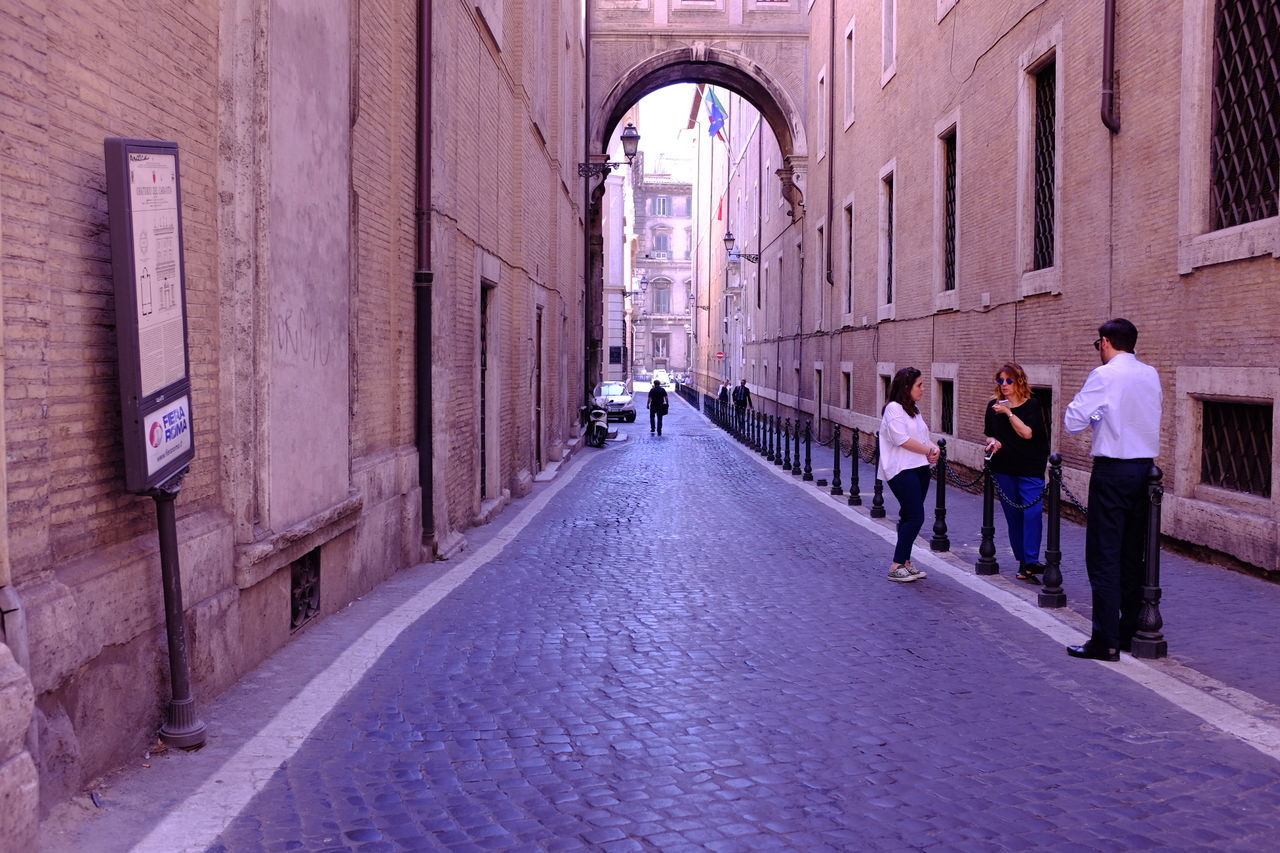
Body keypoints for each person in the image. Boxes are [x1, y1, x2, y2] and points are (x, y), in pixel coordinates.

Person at [1063, 318, 1162, 661]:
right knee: (1134, 554)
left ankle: (1104, 639)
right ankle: (1129, 630)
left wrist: (1097, 417)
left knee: (1104, 556)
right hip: (1146, 472)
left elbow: (1073, 421)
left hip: (1113, 471)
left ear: (1105, 342)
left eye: (1097, 345)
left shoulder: (1104, 375)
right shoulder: (1150, 374)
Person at [983, 362, 1050, 584]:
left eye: (1008, 380)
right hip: (1004, 469)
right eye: (1000, 380)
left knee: (1032, 514)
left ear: (1019, 381)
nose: (1004, 385)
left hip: (1030, 469)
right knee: (1014, 519)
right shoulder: (992, 407)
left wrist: (1009, 412)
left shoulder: (1031, 405)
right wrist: (993, 443)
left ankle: (1031, 560)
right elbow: (989, 435)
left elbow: (1028, 434)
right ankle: (1024, 565)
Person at [877, 367, 940, 583]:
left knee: (907, 515)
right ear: (906, 387)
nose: (923, 389)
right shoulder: (893, 409)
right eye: (919, 385)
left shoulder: (913, 409)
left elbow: (922, 436)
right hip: (900, 469)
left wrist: (933, 447)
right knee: (916, 516)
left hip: (920, 468)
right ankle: (896, 565)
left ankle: (905, 562)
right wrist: (928, 450)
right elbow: (901, 439)